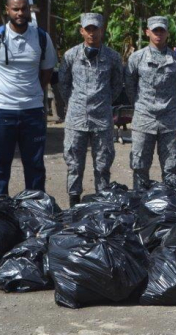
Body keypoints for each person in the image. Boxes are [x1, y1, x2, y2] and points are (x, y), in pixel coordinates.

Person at [0, 0, 57, 196]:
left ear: (29, 10)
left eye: (23, 9)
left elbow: (47, 70)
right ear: (7, 11)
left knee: (35, 165)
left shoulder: (41, 37)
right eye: (15, 9)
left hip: (33, 111)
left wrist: (35, 91)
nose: (20, 13)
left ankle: (35, 208)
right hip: (2, 111)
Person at [59, 13, 124, 206]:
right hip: (76, 119)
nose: (92, 33)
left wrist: (103, 102)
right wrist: (76, 103)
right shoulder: (71, 55)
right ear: (81, 31)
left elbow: (117, 85)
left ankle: (102, 202)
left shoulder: (112, 57)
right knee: (74, 165)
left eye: (95, 29)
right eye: (88, 29)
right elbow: (63, 84)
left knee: (103, 164)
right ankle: (73, 202)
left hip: (102, 119)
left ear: (102, 30)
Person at [125, 15, 176, 189]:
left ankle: (170, 207)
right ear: (148, 32)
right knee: (139, 166)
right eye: (155, 31)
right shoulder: (136, 58)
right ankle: (139, 205)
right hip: (144, 119)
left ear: (167, 33)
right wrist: (141, 106)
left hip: (169, 121)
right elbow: (130, 87)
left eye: (162, 30)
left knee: (171, 166)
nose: (158, 34)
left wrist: (172, 106)